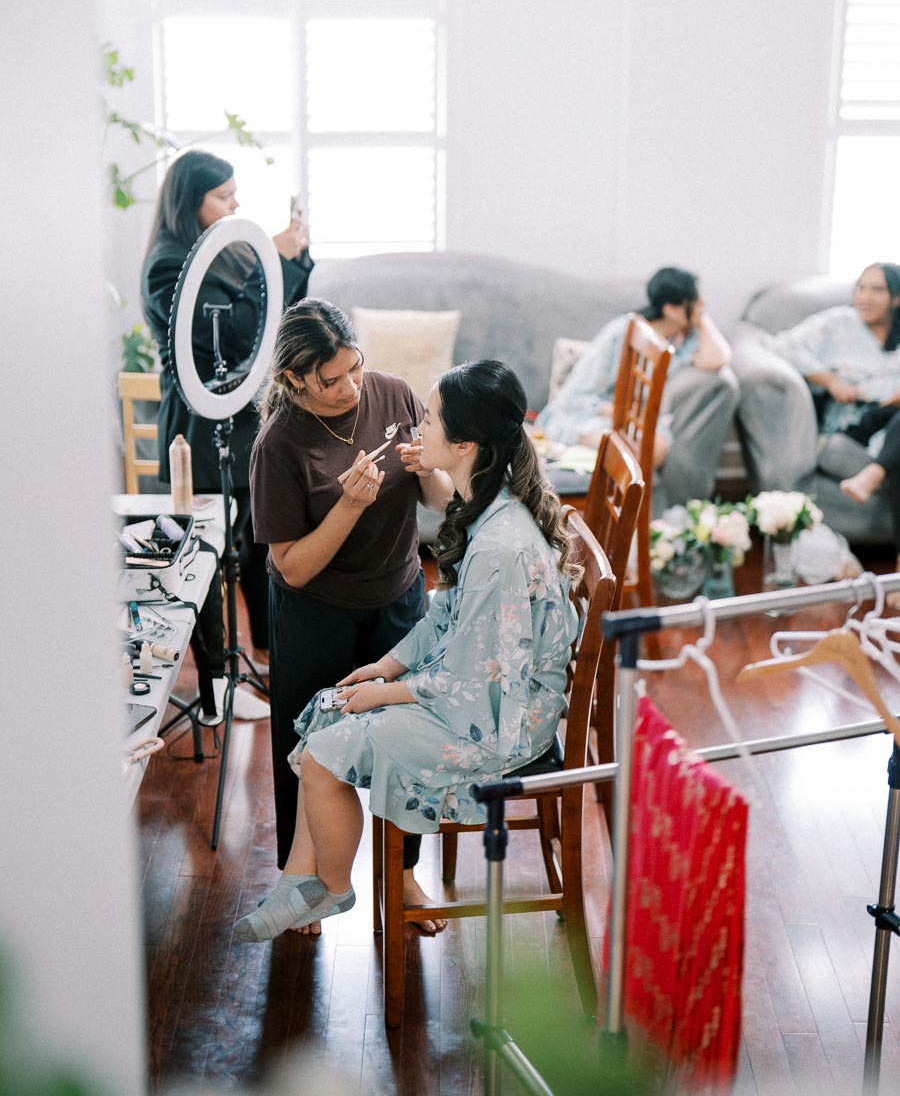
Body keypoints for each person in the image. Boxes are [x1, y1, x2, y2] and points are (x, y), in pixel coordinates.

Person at [234, 359, 581, 943]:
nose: (418, 425)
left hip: (502, 723)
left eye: (432, 417)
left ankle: (331, 888)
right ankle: (300, 882)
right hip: (479, 693)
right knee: (328, 705)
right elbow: (445, 612)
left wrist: (383, 692)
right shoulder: (485, 503)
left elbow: (474, 681)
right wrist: (387, 665)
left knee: (323, 753)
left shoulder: (500, 546)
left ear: (465, 443)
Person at [248, 298, 455, 933]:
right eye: (330, 380)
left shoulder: (393, 396)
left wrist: (432, 471)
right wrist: (346, 507)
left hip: (398, 597)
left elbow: (440, 501)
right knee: (305, 746)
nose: (349, 388)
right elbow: (293, 568)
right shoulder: (278, 445)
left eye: (354, 369)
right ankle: (306, 880)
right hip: (316, 612)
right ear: (293, 379)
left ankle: (402, 872)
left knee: (407, 742)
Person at [141, 150, 313, 709]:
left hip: (242, 421)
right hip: (198, 429)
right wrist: (277, 261)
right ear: (189, 202)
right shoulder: (169, 265)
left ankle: (263, 657)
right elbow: (232, 338)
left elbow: (273, 323)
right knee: (206, 556)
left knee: (255, 542)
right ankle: (217, 679)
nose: (236, 205)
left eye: (236, 194)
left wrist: (295, 258)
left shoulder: (227, 252)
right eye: (223, 196)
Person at [535, 267, 737, 506]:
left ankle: (639, 521)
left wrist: (701, 318)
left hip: (634, 419)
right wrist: (626, 414)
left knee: (657, 446)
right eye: (693, 300)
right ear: (671, 309)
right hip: (587, 413)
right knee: (649, 448)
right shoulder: (623, 331)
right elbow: (577, 395)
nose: (703, 303)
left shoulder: (684, 337)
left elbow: (719, 358)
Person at [769, 262, 900, 575]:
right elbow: (783, 345)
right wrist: (831, 381)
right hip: (854, 427)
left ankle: (875, 473)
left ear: (896, 298)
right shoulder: (838, 323)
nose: (865, 297)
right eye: (861, 287)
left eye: (877, 289)